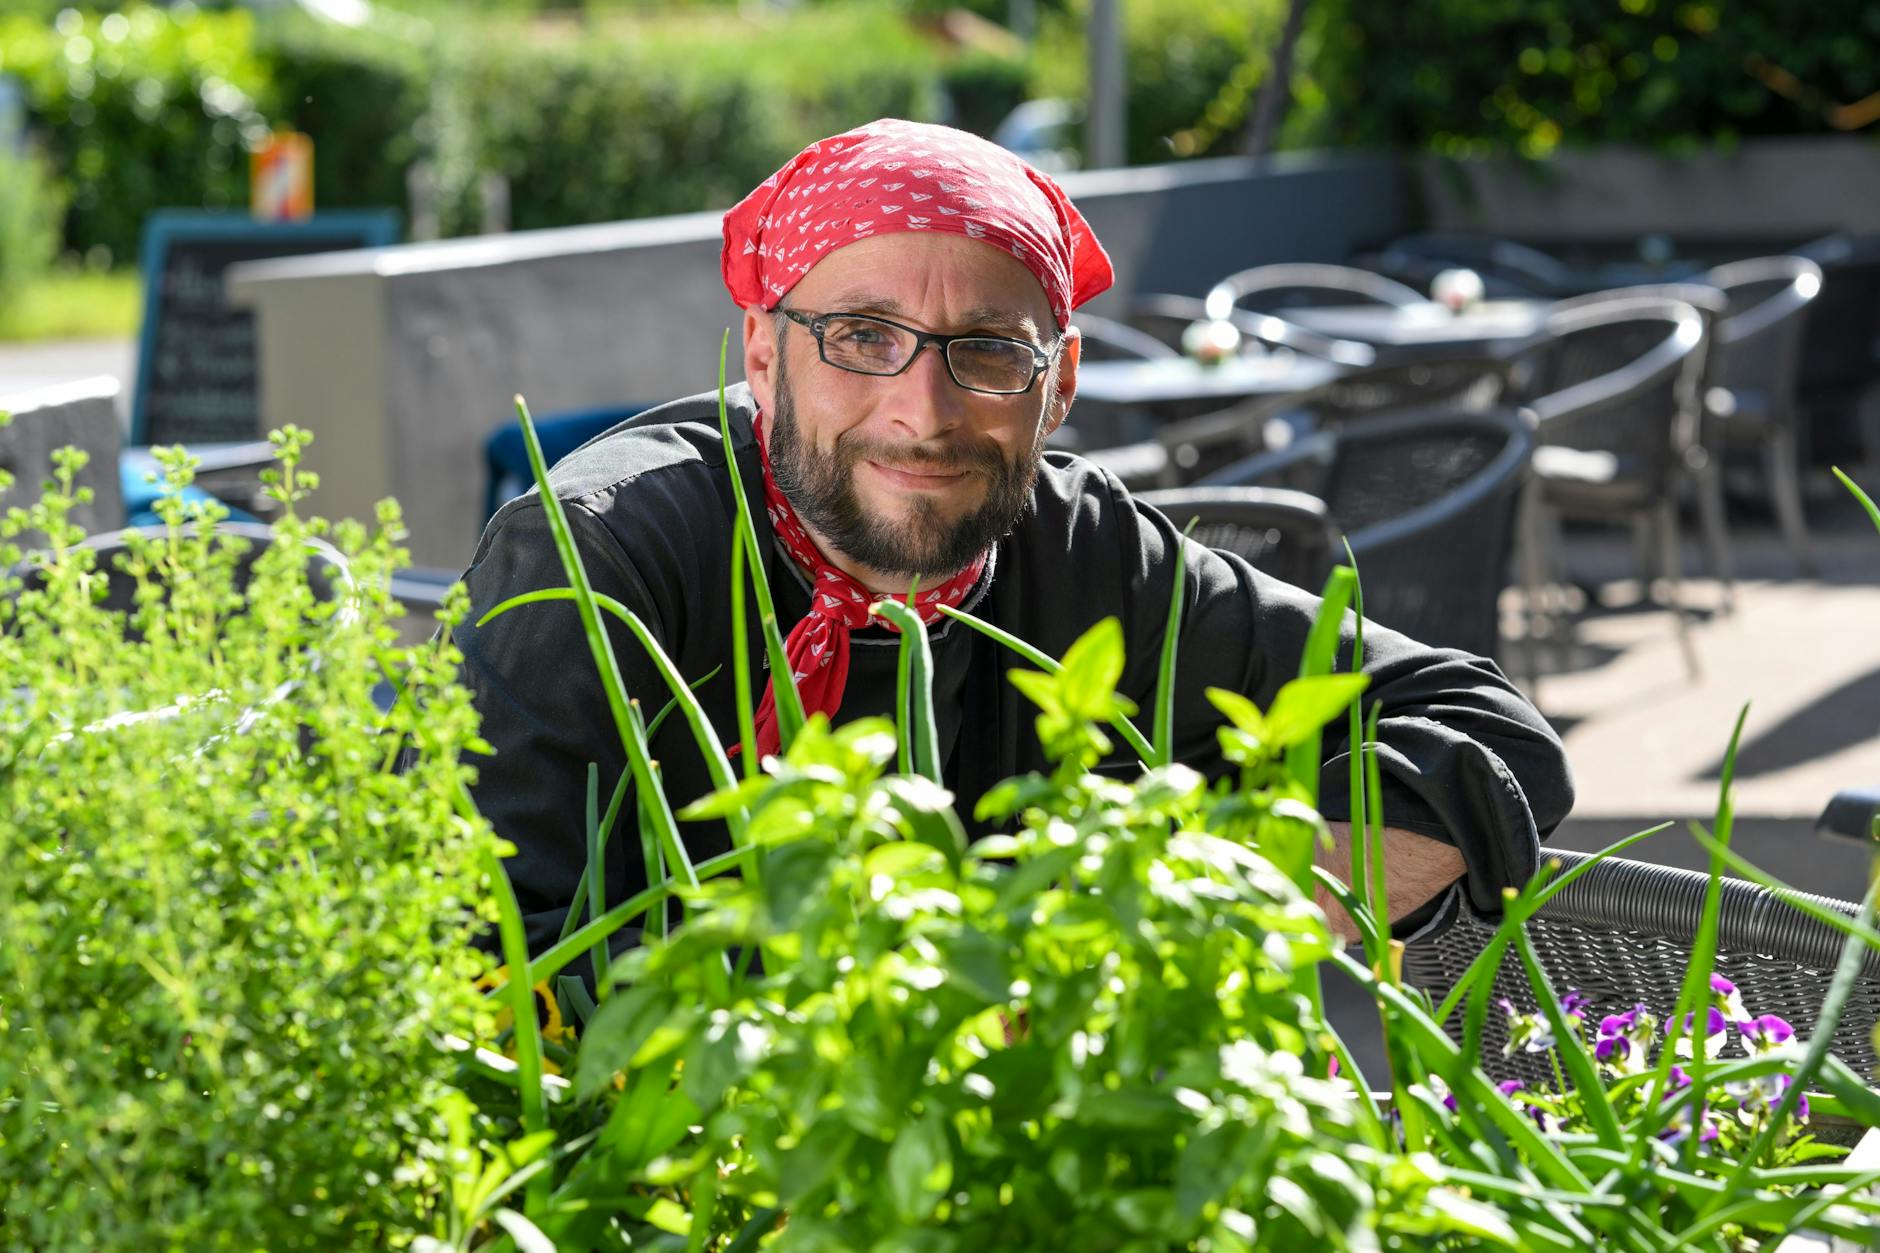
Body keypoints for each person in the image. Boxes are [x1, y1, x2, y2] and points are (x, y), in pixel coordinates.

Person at [449, 118, 1573, 968]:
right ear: (760, 353)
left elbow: (1487, 731)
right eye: (862, 336)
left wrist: (1186, 922)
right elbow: (477, 953)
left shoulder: (1086, 553)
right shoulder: (596, 561)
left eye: (988, 349)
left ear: (1061, 382)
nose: (923, 412)